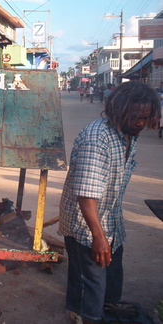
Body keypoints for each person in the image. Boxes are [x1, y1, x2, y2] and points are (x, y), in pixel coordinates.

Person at [59, 81, 160, 324]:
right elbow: (86, 195)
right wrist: (98, 236)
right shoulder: (97, 139)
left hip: (110, 217)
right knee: (89, 280)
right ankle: (85, 315)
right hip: (87, 224)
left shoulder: (127, 134)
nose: (140, 123)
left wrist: (107, 235)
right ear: (119, 110)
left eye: (144, 118)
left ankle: (106, 306)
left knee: (112, 274)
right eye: (135, 117)